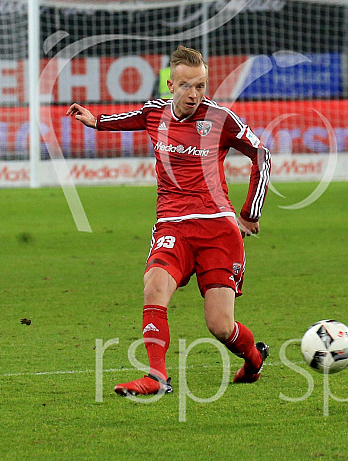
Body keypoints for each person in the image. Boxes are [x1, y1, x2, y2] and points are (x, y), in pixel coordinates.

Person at [66, 46, 271, 396]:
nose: (195, 94)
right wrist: (94, 120)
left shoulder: (220, 119)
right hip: (172, 225)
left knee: (220, 326)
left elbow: (261, 154)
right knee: (154, 286)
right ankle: (157, 377)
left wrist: (250, 211)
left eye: (202, 86)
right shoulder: (154, 113)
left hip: (217, 230)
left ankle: (254, 359)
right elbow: (128, 119)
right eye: (187, 85)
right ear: (171, 84)